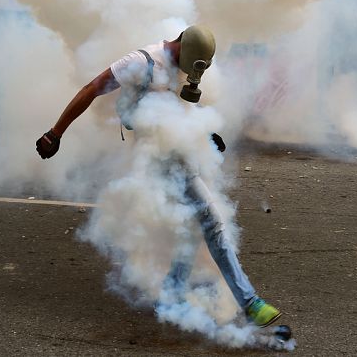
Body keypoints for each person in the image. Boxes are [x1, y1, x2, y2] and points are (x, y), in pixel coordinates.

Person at [35, 25, 282, 328]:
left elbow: (177, 109)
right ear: (181, 46)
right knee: (212, 222)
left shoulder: (183, 66)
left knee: (191, 226)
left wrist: (205, 135)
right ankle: (250, 302)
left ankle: (171, 294)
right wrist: (55, 133)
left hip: (179, 153)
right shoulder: (141, 62)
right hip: (158, 158)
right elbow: (91, 88)